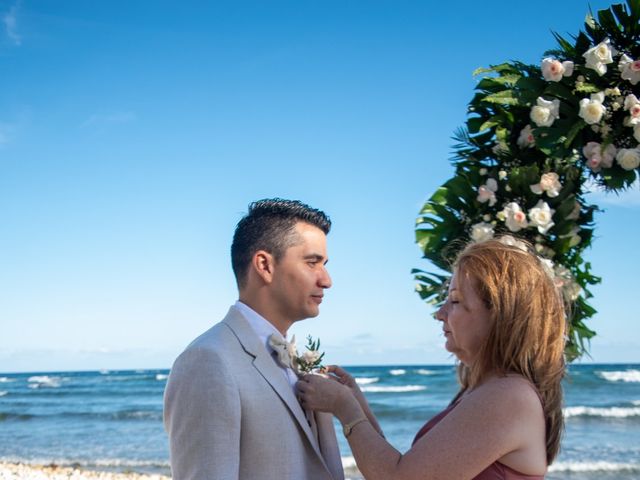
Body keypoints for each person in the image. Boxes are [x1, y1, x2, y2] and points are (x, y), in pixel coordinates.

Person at [297, 237, 566, 480]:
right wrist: (357, 403)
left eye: (456, 301)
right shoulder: (491, 390)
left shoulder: (508, 396)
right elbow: (403, 467)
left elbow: (399, 478)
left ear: (499, 316)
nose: (440, 313)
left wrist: (344, 407)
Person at [164, 198, 344, 480]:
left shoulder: (289, 354)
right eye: (312, 263)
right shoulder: (208, 360)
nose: (327, 280)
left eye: (324, 264)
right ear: (264, 265)